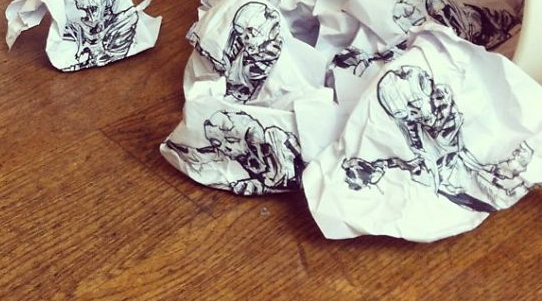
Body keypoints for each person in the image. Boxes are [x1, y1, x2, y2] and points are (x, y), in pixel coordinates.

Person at [343, 65, 535, 212]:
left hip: (457, 173)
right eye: (406, 113)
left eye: (414, 107)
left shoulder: (443, 112)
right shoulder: (415, 127)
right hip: (450, 180)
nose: (414, 115)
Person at [166, 110, 304, 195]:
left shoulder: (275, 139)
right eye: (217, 144)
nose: (226, 148)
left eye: (231, 140)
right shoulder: (234, 158)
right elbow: (198, 155)